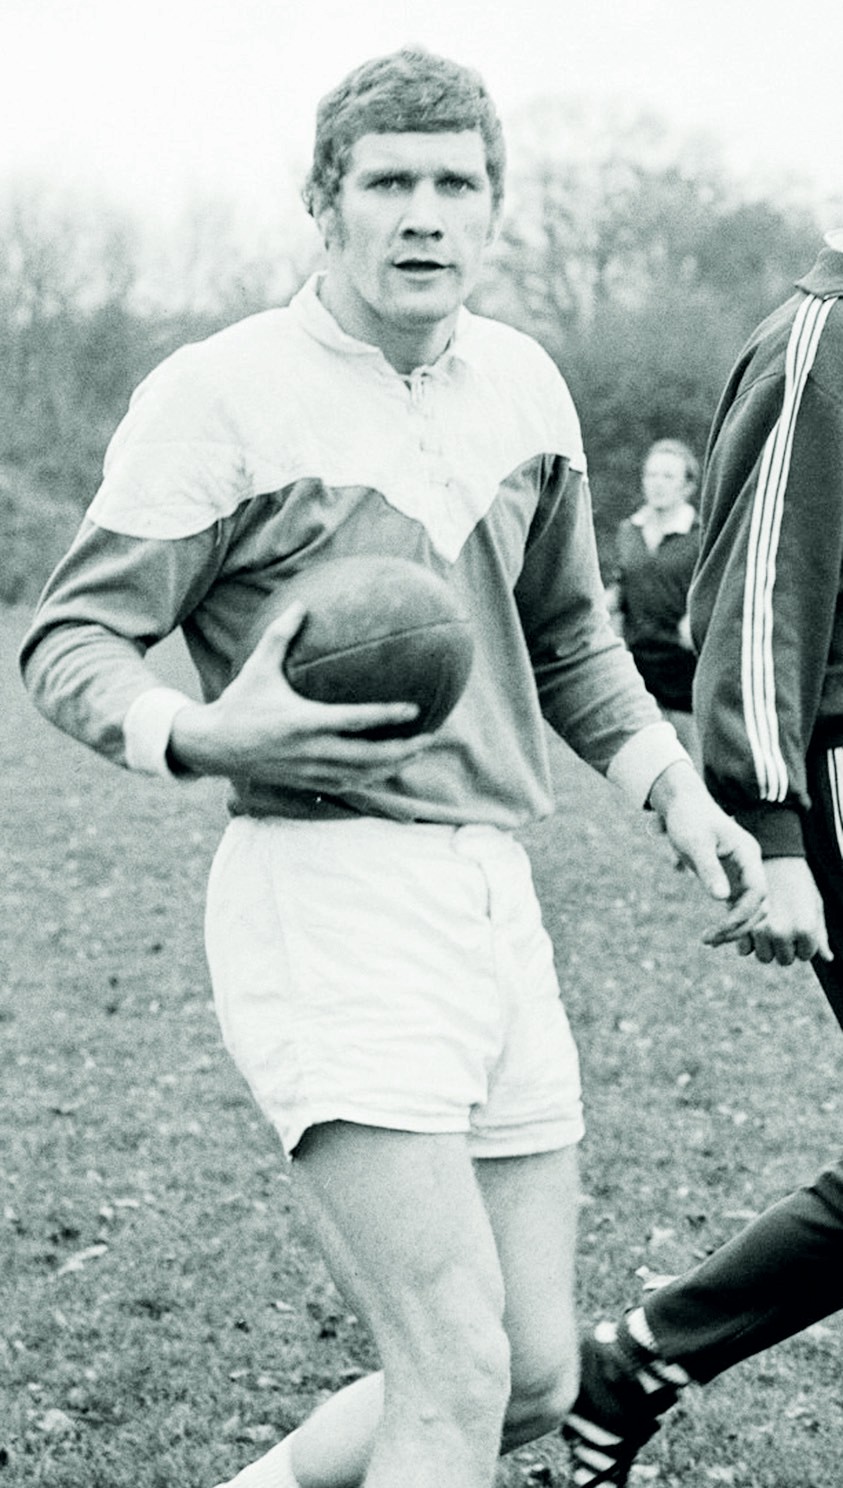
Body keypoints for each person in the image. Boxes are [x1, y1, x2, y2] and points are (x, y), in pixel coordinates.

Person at [19, 48, 766, 1488]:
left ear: (493, 209)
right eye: (388, 183)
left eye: (455, 184)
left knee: (532, 1374)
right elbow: (71, 639)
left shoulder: (526, 386)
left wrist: (675, 792)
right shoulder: (220, 393)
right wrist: (196, 732)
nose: (425, 213)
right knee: (453, 1368)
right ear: (323, 203)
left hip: (493, 894)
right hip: (323, 892)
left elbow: (569, 638)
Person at [562, 228, 843, 1488]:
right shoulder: (818, 346)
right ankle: (641, 1359)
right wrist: (775, 834)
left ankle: (637, 1364)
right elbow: (747, 603)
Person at [605, 438, 701, 763]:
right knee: (648, 761)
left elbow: (716, 590)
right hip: (639, 662)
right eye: (651, 475)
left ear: (687, 486)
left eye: (668, 476)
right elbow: (622, 586)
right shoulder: (628, 531)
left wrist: (697, 614)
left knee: (688, 762)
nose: (657, 483)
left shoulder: (701, 535)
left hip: (684, 665)